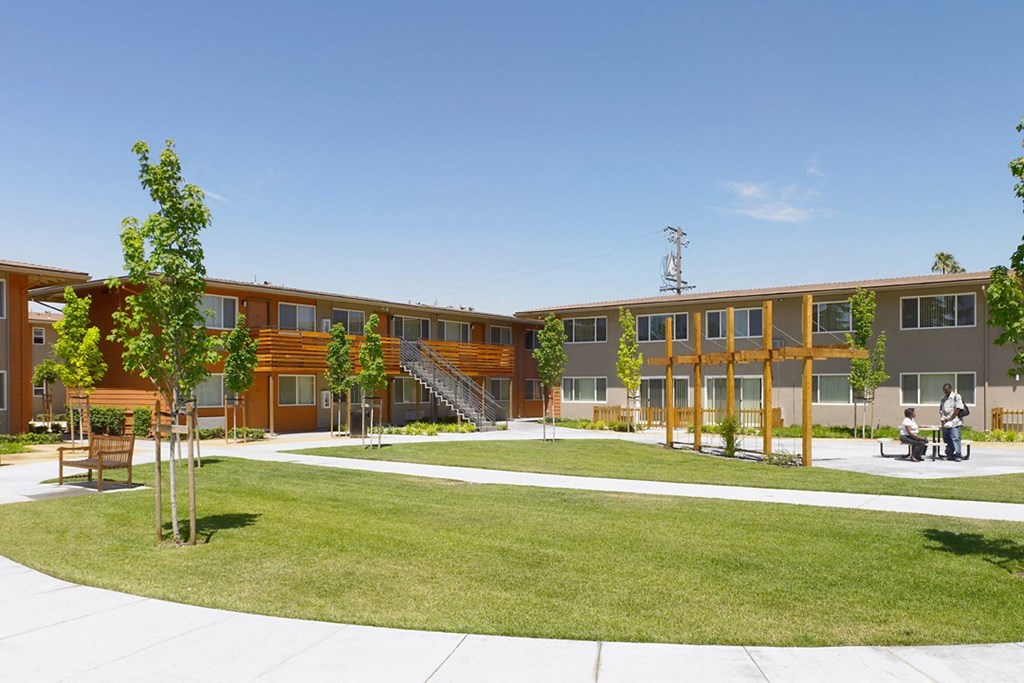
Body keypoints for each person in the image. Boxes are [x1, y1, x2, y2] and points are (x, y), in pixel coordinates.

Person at [939, 383, 965, 461]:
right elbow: (941, 410)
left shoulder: (956, 396)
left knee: (955, 438)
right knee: (947, 439)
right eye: (944, 390)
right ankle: (949, 454)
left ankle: (958, 455)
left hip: (955, 422)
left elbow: (958, 408)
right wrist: (942, 420)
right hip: (946, 423)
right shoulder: (943, 399)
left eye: (947, 390)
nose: (945, 391)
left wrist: (951, 418)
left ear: (950, 389)